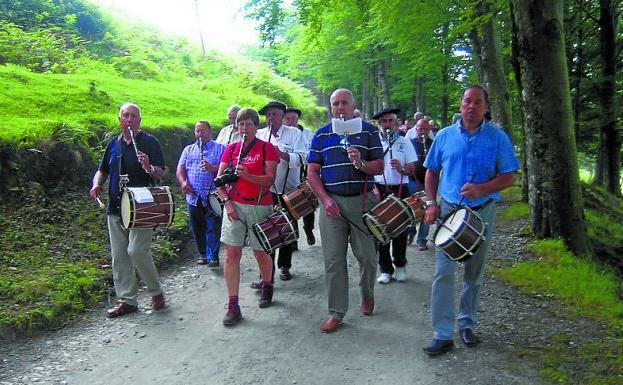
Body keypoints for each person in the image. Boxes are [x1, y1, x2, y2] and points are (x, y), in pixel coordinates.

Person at [421, 85, 519, 356]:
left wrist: (482, 189)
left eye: (478, 102)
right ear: (461, 104)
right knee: (443, 273)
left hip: (482, 211)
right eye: (467, 101)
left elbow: (510, 177)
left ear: (485, 107)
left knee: (473, 274)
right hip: (449, 211)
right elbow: (431, 172)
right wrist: (430, 203)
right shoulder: (444, 136)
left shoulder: (498, 138)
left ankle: (467, 324)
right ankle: (442, 334)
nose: (471, 106)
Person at [307, 88, 384, 333]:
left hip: (362, 202)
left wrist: (360, 163)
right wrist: (325, 199)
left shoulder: (369, 131)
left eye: (344, 103)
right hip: (332, 204)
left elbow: (379, 166)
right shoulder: (321, 135)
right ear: (331, 107)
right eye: (335, 104)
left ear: (353, 106)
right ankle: (336, 312)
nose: (340, 108)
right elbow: (311, 172)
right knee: (333, 260)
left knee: (368, 258)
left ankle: (367, 294)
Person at [89, 102, 167, 318]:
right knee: (120, 255)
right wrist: (97, 184)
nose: (129, 120)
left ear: (140, 120)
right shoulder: (113, 143)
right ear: (119, 120)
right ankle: (128, 300)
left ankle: (156, 292)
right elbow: (102, 170)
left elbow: (160, 173)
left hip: (142, 206)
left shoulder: (150, 142)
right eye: (126, 116)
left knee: (136, 251)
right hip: (115, 207)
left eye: (134, 116)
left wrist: (149, 167)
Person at [214, 108, 279, 326]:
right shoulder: (231, 150)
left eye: (248, 124)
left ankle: (267, 284)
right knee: (232, 254)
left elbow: (269, 180)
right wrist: (227, 203)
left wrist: (248, 175)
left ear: (256, 126)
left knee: (260, 252)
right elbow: (219, 182)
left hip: (259, 205)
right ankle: (233, 304)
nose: (244, 129)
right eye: (241, 125)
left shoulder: (267, 148)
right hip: (234, 206)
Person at [256, 101, 307, 281]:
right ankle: (265, 272)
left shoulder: (295, 134)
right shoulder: (259, 135)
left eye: (275, 114)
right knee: (266, 230)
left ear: (283, 116)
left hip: (288, 190)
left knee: (286, 229)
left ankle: (284, 266)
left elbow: (303, 157)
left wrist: (282, 154)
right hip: (265, 191)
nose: (271, 118)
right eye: (268, 115)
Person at [371, 108, 417, 284]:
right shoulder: (374, 142)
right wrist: (373, 187)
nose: (388, 125)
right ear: (380, 124)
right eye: (384, 121)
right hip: (379, 190)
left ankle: (400, 266)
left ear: (396, 122)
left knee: (400, 230)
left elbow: (411, 169)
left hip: (400, 189)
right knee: (380, 230)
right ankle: (385, 269)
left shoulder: (404, 143)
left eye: (391, 121)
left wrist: (402, 169)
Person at [176, 121, 225, 267]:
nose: (200, 134)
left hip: (212, 196)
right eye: (197, 131)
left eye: (203, 131)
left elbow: (228, 170)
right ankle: (203, 254)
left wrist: (213, 168)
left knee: (213, 226)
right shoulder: (188, 150)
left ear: (210, 132)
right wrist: (183, 183)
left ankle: (213, 256)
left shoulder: (221, 148)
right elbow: (180, 169)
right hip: (193, 197)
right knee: (197, 227)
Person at [284, 107, 316, 246]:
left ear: (297, 119)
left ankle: (308, 229)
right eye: (288, 119)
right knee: (291, 207)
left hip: (307, 175)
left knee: (309, 206)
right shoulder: (284, 135)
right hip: (290, 176)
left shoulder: (308, 134)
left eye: (293, 118)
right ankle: (294, 239)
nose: (290, 121)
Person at [407, 118, 434, 250]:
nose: (422, 132)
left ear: (429, 130)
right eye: (420, 129)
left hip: (429, 183)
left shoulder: (433, 144)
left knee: (427, 210)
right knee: (413, 208)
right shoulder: (409, 143)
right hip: (413, 181)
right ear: (415, 130)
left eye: (425, 129)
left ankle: (422, 239)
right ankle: (410, 232)